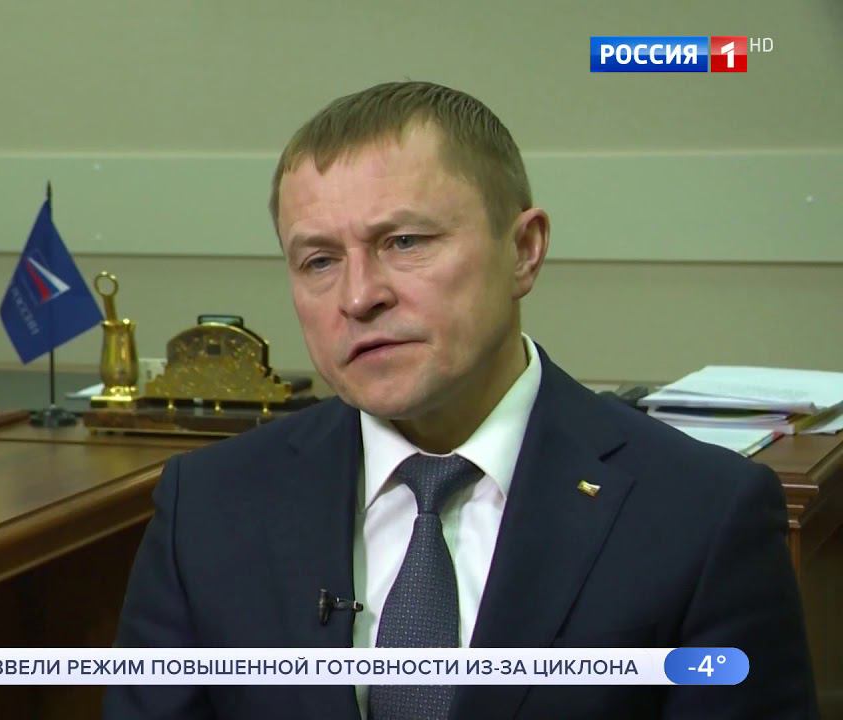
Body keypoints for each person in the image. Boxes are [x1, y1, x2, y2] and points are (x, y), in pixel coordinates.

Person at [104, 81, 817, 720]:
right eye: (319, 260)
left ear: (524, 250)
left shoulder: (700, 514)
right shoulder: (207, 508)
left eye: (404, 241)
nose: (359, 296)